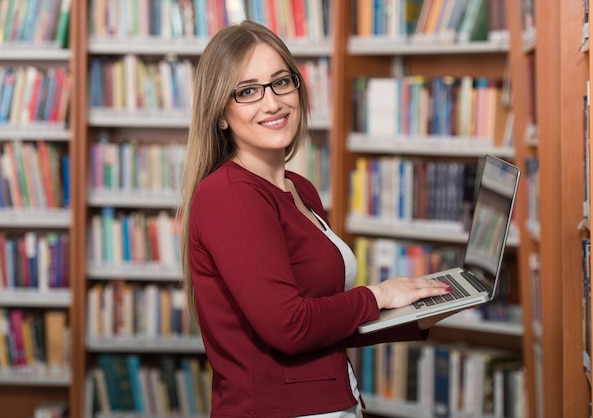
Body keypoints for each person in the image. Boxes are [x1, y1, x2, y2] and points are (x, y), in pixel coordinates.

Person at [178, 20, 456, 418]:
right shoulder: (230, 195)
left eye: (281, 82)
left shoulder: (298, 188)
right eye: (248, 91)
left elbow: (324, 318)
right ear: (220, 113)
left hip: (331, 402)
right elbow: (289, 327)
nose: (272, 103)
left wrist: (418, 310)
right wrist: (378, 295)